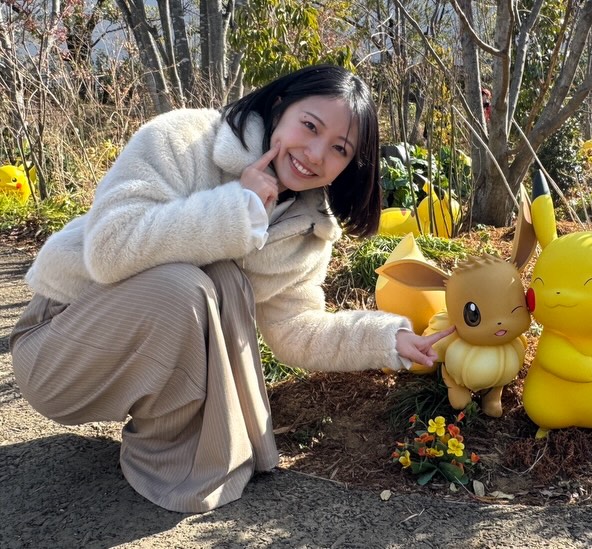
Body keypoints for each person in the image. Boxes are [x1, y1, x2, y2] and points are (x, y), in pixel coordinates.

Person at [9, 65, 454, 513]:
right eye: (309, 126)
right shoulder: (185, 139)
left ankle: (173, 455)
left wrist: (388, 339)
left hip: (130, 355)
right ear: (279, 107)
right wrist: (238, 207)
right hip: (57, 345)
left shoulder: (307, 227)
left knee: (224, 280)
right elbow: (109, 248)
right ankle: (178, 448)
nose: (316, 154)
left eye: (339, 149)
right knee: (187, 286)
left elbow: (296, 330)